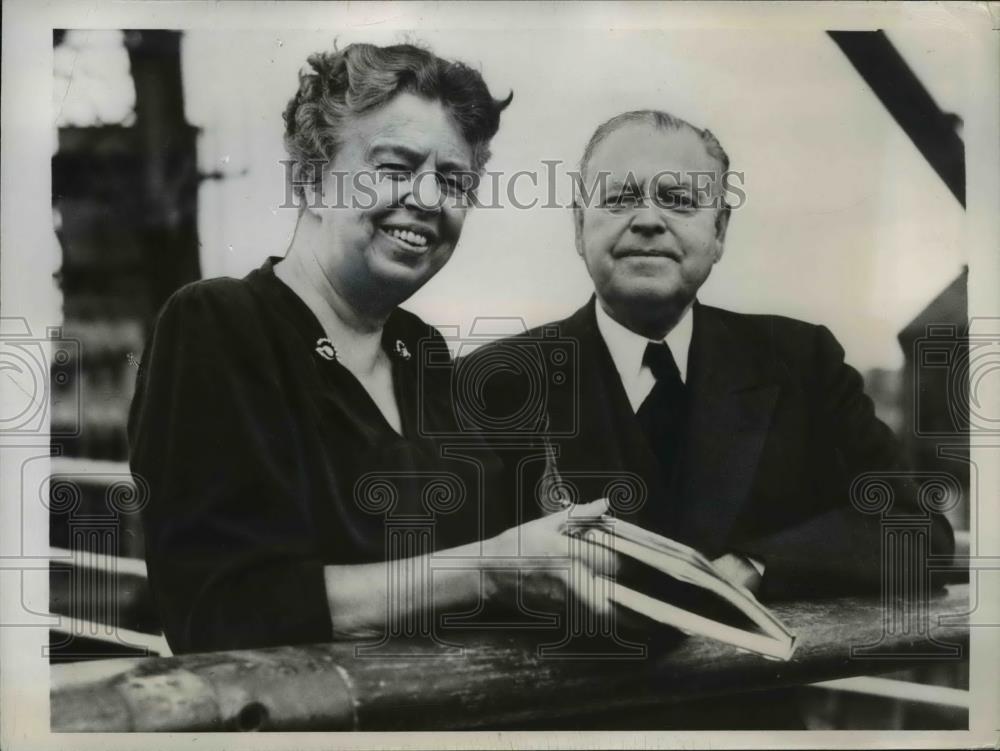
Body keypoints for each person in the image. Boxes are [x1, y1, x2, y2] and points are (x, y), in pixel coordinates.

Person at [128, 42, 613, 655]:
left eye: (453, 181)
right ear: (310, 179)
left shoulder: (425, 354)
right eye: (394, 168)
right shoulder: (219, 323)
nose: (430, 200)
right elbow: (221, 613)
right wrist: (490, 569)